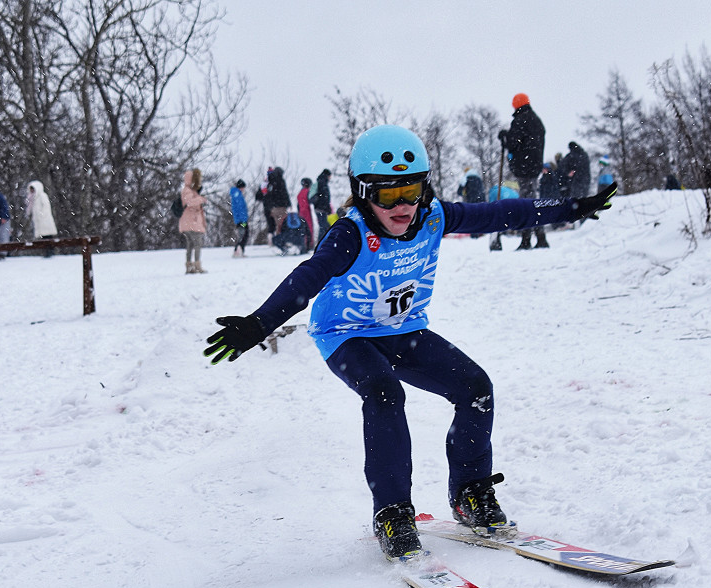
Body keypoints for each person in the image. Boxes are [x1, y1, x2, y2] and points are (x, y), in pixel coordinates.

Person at [203, 125, 617, 560]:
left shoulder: (435, 215)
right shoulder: (352, 233)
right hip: (347, 336)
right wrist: (259, 323)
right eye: (386, 195)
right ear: (363, 194)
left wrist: (571, 207)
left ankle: (470, 493)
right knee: (384, 394)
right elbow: (308, 276)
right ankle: (393, 513)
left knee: (476, 388)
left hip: (404, 329)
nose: (402, 205)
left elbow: (501, 212)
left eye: (412, 189)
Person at [498, 93, 548, 250]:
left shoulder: (520, 120)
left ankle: (527, 240)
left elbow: (513, 143)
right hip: (534, 167)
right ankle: (540, 237)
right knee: (532, 201)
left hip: (524, 168)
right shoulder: (537, 120)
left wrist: (504, 136)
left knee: (527, 203)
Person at [179, 168, 208, 274]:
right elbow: (190, 202)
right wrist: (201, 199)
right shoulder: (188, 191)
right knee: (197, 244)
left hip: (189, 222)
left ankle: (189, 266)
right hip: (192, 222)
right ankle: (196, 265)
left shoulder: (188, 190)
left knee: (190, 245)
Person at [25, 180, 58, 257]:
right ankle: (46, 252)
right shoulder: (32, 198)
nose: (32, 190)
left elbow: (46, 206)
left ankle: (50, 252)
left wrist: (41, 215)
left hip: (45, 219)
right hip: (39, 220)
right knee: (43, 237)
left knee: (48, 236)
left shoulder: (42, 195)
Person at [264, 167, 292, 241]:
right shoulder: (280, 181)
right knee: (282, 225)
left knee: (276, 225)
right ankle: (280, 240)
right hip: (281, 206)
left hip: (273, 208)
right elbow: (285, 193)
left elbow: (268, 195)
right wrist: (289, 204)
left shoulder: (270, 182)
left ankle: (274, 240)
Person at [311, 168, 333, 245]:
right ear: (327, 175)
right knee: (323, 227)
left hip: (319, 208)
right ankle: (321, 244)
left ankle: (322, 243)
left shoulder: (320, 182)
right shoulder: (322, 183)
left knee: (324, 226)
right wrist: (327, 207)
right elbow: (325, 197)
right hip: (321, 209)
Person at [229, 179, 250, 257]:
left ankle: (238, 251)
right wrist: (244, 220)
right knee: (244, 234)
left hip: (239, 220)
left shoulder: (235, 194)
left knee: (242, 234)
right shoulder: (238, 195)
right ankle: (239, 250)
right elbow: (241, 209)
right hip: (242, 220)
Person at [297, 178, 315, 251]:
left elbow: (298, 204)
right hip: (307, 212)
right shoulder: (308, 192)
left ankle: (303, 244)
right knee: (309, 229)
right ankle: (309, 245)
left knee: (302, 230)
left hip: (301, 212)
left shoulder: (300, 193)